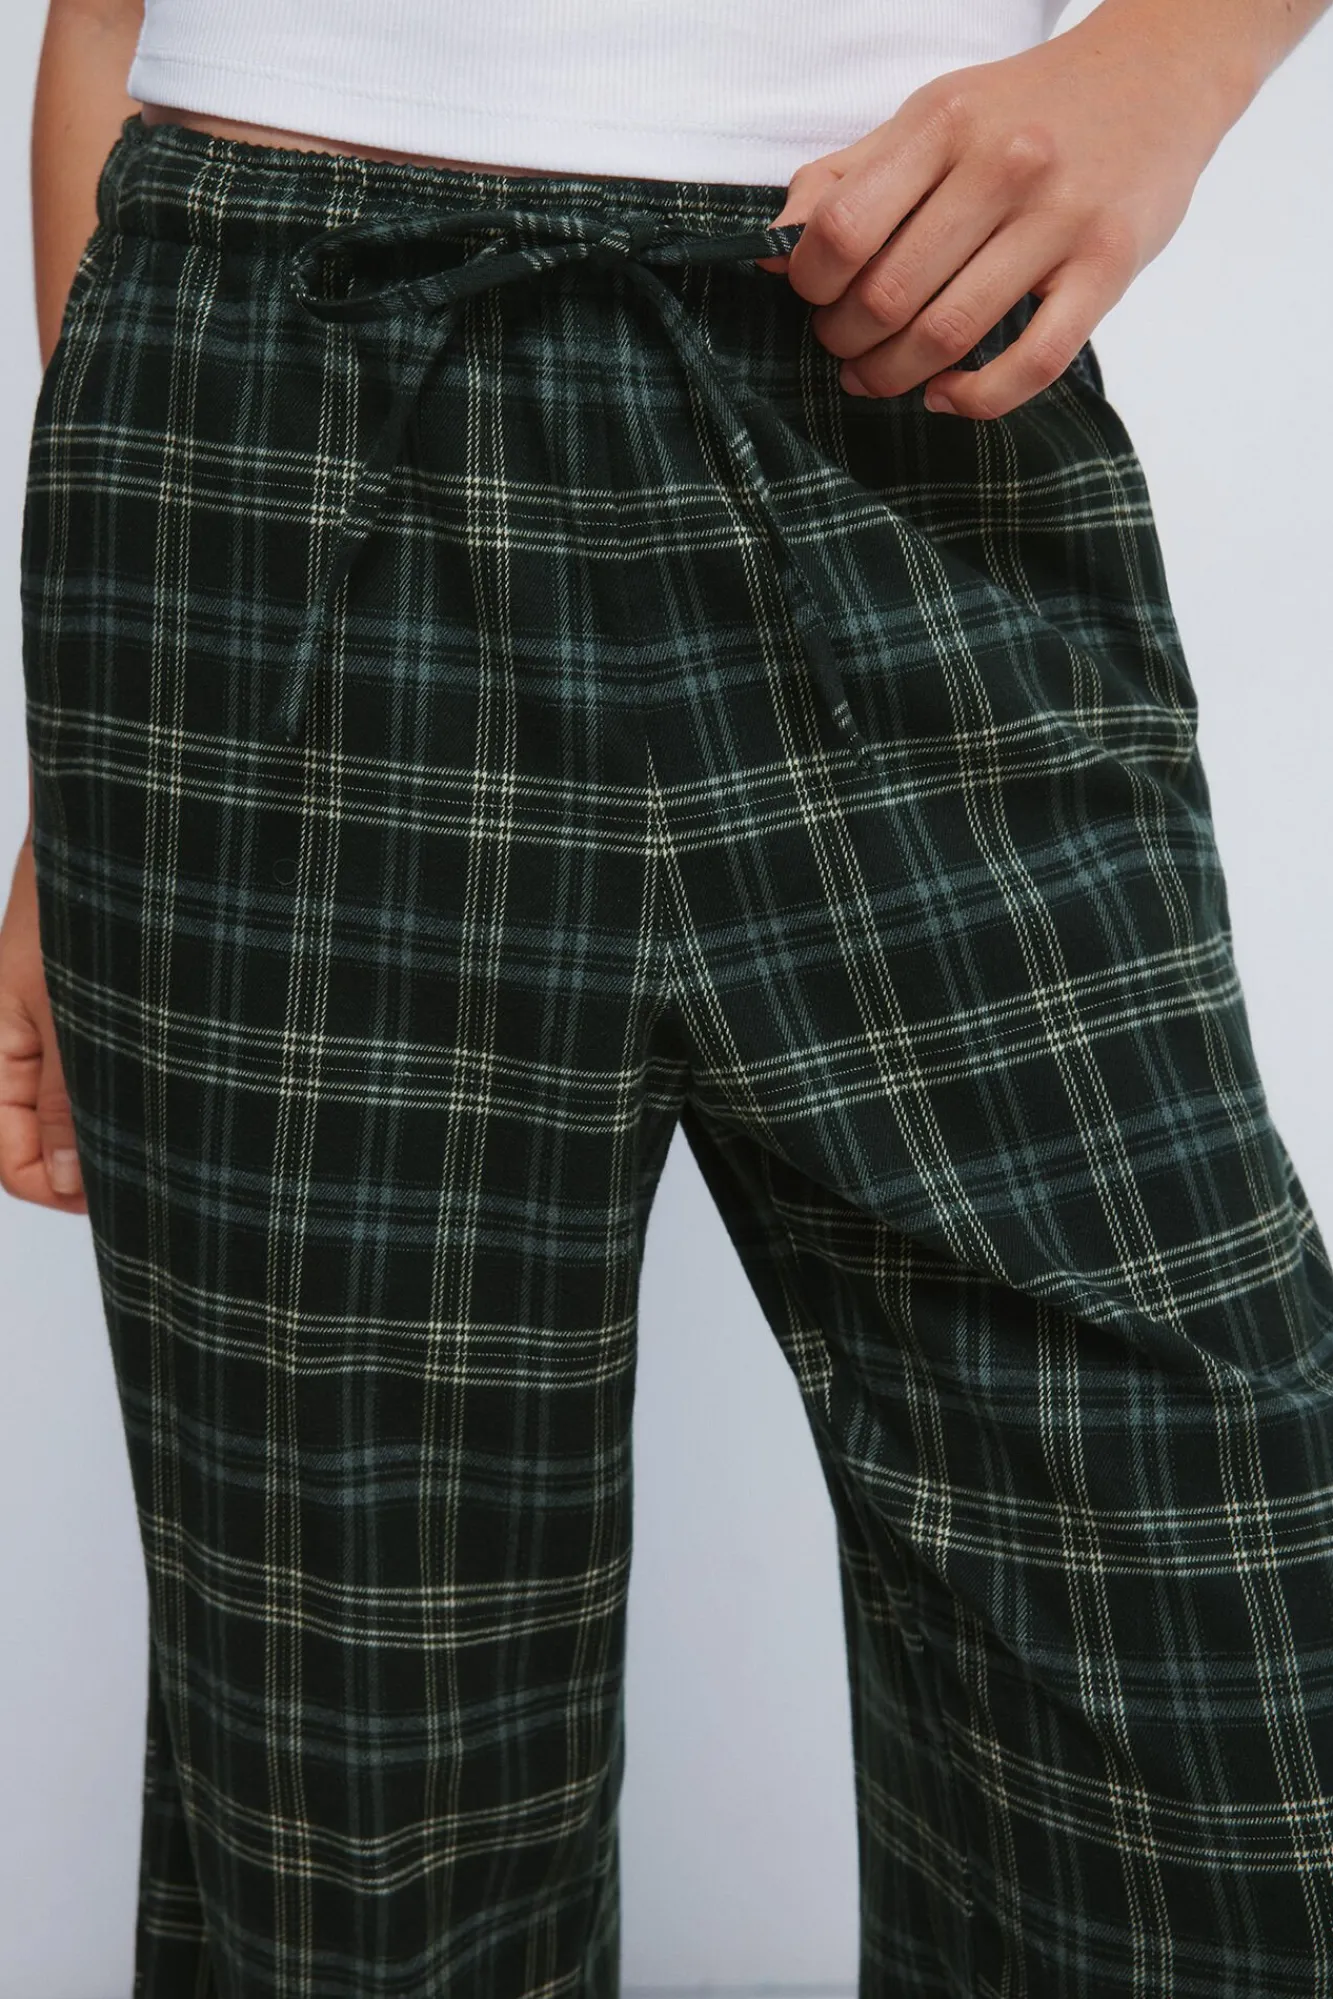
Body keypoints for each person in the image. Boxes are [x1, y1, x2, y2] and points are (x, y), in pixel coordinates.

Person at [5, 0, 1333, 1990]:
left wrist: (1174, 60)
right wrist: (89, 776)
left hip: (897, 370)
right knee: (355, 1792)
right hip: (273, 399)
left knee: (1211, 1660)